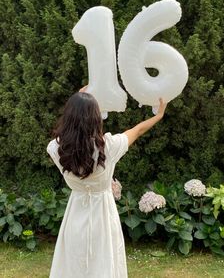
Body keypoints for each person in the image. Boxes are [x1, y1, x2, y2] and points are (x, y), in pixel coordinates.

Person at [47, 87, 167, 278]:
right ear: (96, 118)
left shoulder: (55, 148)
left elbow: (73, 134)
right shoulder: (108, 147)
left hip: (76, 213)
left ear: (68, 116)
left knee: (73, 263)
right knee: (104, 262)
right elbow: (137, 130)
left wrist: (79, 100)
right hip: (103, 212)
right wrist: (158, 115)